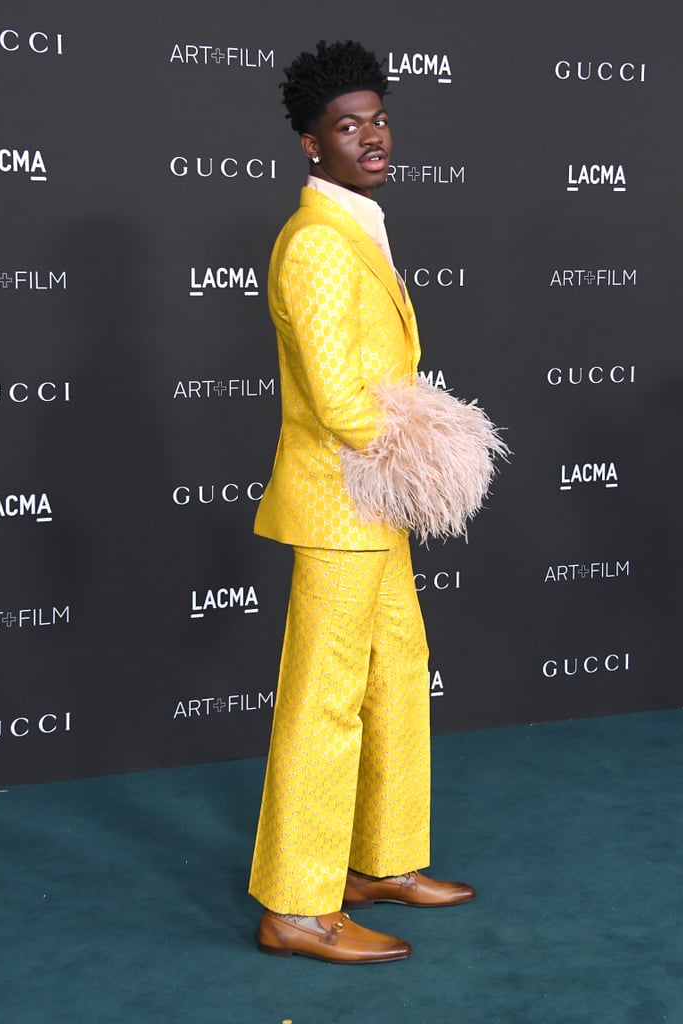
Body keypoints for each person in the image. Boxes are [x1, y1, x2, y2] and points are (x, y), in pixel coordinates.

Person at [249, 40, 504, 964]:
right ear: (311, 144)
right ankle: (296, 905)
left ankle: (381, 861)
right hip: (339, 501)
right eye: (348, 126)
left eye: (379, 118)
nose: (371, 136)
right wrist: (431, 450)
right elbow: (338, 402)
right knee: (324, 700)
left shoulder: (358, 224)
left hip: (376, 505)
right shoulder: (316, 242)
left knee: (397, 671)